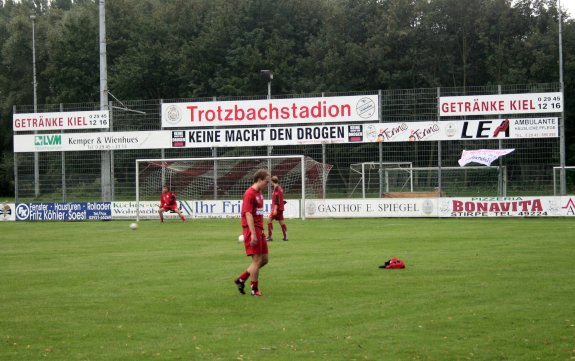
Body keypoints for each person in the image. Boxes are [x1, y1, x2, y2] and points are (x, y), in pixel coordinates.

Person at [234, 169, 271, 296]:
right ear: (259, 180)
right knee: (257, 260)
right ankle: (254, 290)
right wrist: (253, 233)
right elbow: (248, 214)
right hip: (252, 230)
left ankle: (241, 279)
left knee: (264, 259)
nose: (268, 184)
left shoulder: (259, 193)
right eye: (266, 182)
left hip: (259, 229)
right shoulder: (249, 193)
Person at [267, 175, 288, 241]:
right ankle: (286, 237)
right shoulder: (280, 188)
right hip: (280, 208)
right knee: (281, 222)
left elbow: (276, 199)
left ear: (272, 181)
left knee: (269, 220)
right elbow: (280, 198)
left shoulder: (276, 189)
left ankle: (270, 237)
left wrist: (275, 209)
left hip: (277, 208)